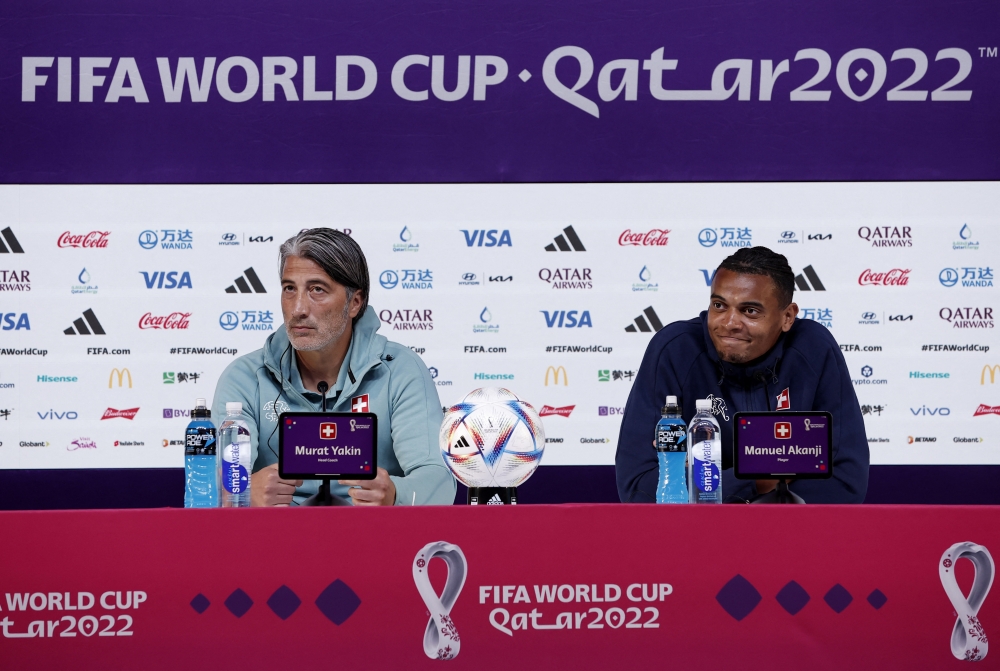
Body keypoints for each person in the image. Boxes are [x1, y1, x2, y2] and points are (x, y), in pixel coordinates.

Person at [211, 228, 455, 506]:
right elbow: (211, 485)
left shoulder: (400, 370)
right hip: (277, 541)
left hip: (370, 540)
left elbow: (438, 482)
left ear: (355, 302)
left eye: (317, 289)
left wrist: (394, 495)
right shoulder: (244, 378)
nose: (298, 308)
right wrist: (239, 493)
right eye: (289, 288)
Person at [616, 246, 869, 503]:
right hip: (696, 536)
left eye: (750, 311)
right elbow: (640, 488)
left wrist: (702, 482)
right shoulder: (675, 349)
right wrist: (758, 481)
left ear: (787, 317)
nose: (729, 323)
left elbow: (845, 486)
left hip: (790, 536)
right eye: (719, 305)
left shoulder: (814, 348)